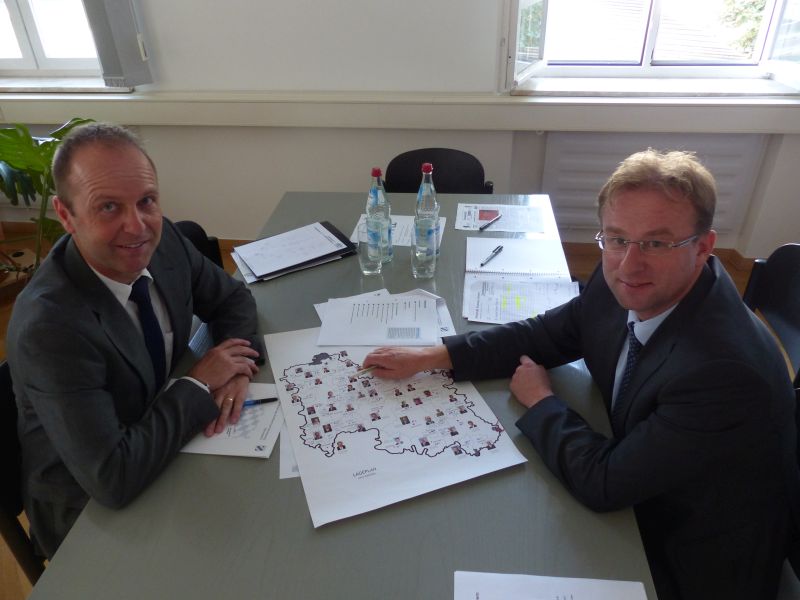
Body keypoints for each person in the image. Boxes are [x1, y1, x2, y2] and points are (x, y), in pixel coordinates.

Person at [363, 149, 800, 599]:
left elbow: (605, 482)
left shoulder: (722, 373)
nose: (629, 264)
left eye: (656, 243)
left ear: (703, 247)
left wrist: (542, 401)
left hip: (688, 559)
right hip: (647, 491)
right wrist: (433, 356)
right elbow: (551, 332)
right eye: (616, 238)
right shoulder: (631, 282)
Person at [7, 123, 265, 559]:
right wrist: (201, 384)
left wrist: (235, 369)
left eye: (147, 200)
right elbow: (113, 475)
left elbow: (233, 299)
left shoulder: (162, 242)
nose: (137, 225)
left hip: (166, 440)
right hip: (90, 516)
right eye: (108, 207)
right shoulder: (49, 329)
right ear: (66, 215)